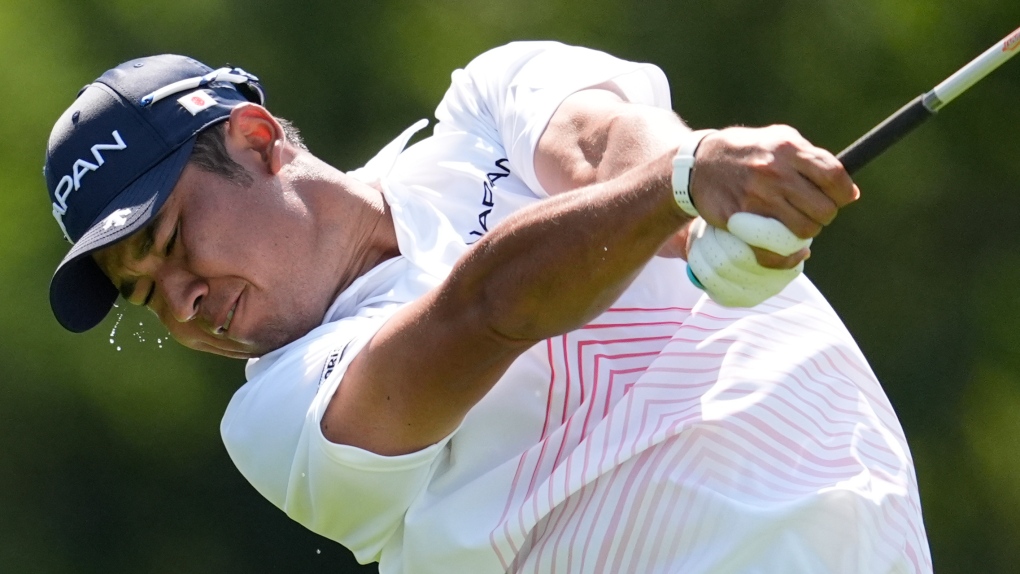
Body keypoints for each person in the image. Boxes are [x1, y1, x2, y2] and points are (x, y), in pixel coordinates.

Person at [43, 42, 931, 573]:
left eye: (172, 242)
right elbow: (485, 314)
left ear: (258, 140)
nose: (184, 300)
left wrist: (710, 199)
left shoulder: (481, 107)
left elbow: (609, 150)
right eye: (143, 293)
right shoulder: (274, 420)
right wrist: (685, 188)